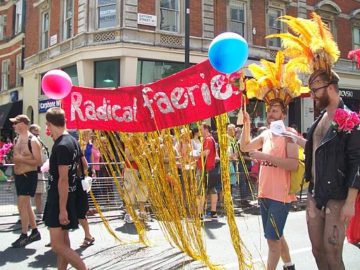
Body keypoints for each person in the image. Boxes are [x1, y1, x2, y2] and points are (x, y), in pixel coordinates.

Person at [289, 70, 360, 270]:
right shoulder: (318, 120)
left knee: (332, 253)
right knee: (317, 251)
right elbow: (318, 150)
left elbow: (357, 161)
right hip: (314, 192)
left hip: (337, 195)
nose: (312, 95)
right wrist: (294, 139)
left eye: (315, 90)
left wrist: (350, 202)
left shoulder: (350, 120)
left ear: (330, 88)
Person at [240, 99, 298, 270]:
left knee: (272, 240)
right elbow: (245, 147)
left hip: (281, 196)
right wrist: (247, 123)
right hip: (264, 193)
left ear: (284, 115)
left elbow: (293, 165)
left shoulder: (290, 134)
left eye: (275, 111)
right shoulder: (266, 134)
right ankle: (289, 265)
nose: (271, 114)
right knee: (276, 235)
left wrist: (264, 157)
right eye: (270, 111)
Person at [43, 107, 87, 270]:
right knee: (63, 241)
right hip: (68, 197)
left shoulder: (61, 145)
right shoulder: (72, 140)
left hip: (59, 199)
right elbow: (82, 166)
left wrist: (62, 209)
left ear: (49, 124)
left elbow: (63, 179)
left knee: (56, 245)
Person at [10, 114, 42, 248]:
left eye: (15, 123)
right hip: (19, 175)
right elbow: (15, 157)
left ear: (22, 124)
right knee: (26, 205)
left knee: (21, 204)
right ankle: (35, 231)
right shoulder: (17, 138)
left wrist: (21, 160)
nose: (13, 126)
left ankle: (24, 235)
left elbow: (38, 161)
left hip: (29, 175)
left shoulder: (33, 140)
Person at [196, 123, 219, 220]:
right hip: (210, 168)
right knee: (212, 189)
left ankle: (200, 213)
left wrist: (196, 154)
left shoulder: (208, 139)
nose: (199, 131)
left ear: (206, 129)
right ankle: (213, 212)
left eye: (201, 129)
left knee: (200, 191)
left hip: (205, 169)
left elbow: (206, 152)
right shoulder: (211, 139)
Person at [29, 124, 49, 221]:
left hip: (39, 171)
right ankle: (27, 214)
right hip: (31, 171)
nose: (37, 134)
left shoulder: (39, 141)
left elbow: (43, 155)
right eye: (35, 132)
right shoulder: (30, 141)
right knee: (28, 194)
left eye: (38, 132)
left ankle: (39, 213)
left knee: (39, 193)